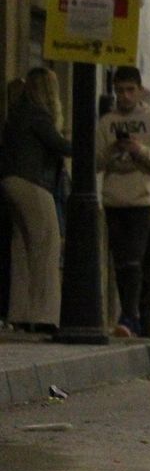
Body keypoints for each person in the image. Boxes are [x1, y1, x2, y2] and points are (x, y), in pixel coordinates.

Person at [97, 65, 150, 337]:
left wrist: (139, 150)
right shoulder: (107, 123)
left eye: (130, 90)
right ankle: (131, 314)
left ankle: (131, 315)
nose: (125, 96)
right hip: (114, 200)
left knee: (135, 259)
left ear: (139, 91)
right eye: (119, 91)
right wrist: (113, 150)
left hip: (142, 201)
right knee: (121, 261)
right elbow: (94, 162)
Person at [1, 68, 71, 333]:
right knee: (46, 246)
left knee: (21, 248)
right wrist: (87, 148)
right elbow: (58, 145)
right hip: (32, 183)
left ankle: (19, 313)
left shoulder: (16, 114)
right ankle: (45, 315)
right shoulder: (37, 114)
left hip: (10, 181)